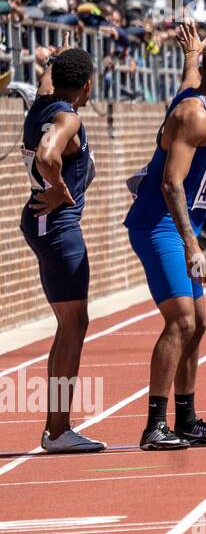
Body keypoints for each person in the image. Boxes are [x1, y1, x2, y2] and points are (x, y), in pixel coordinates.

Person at [124, 23, 206, 450]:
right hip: (160, 225)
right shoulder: (193, 114)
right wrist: (193, 244)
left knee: (200, 322)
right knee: (181, 320)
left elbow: (192, 76)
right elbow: (171, 185)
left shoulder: (195, 97)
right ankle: (154, 425)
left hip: (176, 226)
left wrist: (191, 53)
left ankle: (187, 418)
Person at [19, 43, 104, 453]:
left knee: (69, 325)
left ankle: (58, 427)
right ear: (87, 85)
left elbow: (45, 81)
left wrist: (50, 61)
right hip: (58, 226)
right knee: (74, 326)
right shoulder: (65, 115)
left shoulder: (41, 103)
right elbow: (47, 153)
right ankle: (57, 430)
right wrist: (60, 190)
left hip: (40, 223)